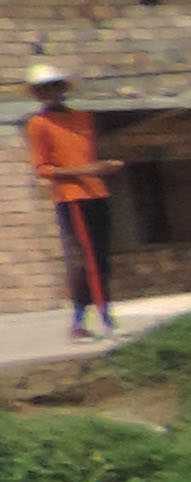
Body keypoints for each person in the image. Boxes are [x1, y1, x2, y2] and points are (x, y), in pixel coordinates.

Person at [26, 62, 116, 336]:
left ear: (62, 88)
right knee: (85, 258)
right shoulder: (38, 124)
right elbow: (44, 169)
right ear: (38, 95)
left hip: (97, 192)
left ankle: (90, 316)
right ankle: (94, 316)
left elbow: (83, 155)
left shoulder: (83, 118)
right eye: (43, 90)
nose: (50, 93)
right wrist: (87, 170)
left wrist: (99, 168)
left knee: (101, 258)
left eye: (54, 87)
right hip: (72, 197)